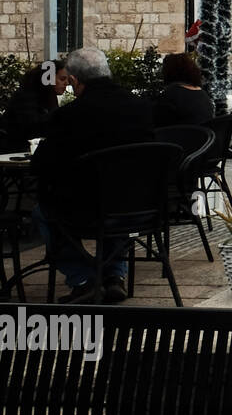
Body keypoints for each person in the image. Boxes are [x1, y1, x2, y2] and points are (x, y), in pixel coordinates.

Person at [31, 46, 155, 304]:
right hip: (141, 208)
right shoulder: (141, 107)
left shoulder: (69, 115)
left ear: (75, 81)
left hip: (87, 210)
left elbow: (42, 164)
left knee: (44, 210)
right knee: (117, 191)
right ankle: (113, 277)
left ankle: (84, 279)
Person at [1, 59, 67, 152]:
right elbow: (31, 126)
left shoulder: (49, 97)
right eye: (62, 79)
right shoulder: (27, 95)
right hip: (15, 151)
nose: (66, 83)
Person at [153, 52, 214, 126]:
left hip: (176, 136)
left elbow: (159, 122)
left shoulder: (172, 94)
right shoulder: (203, 94)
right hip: (201, 136)